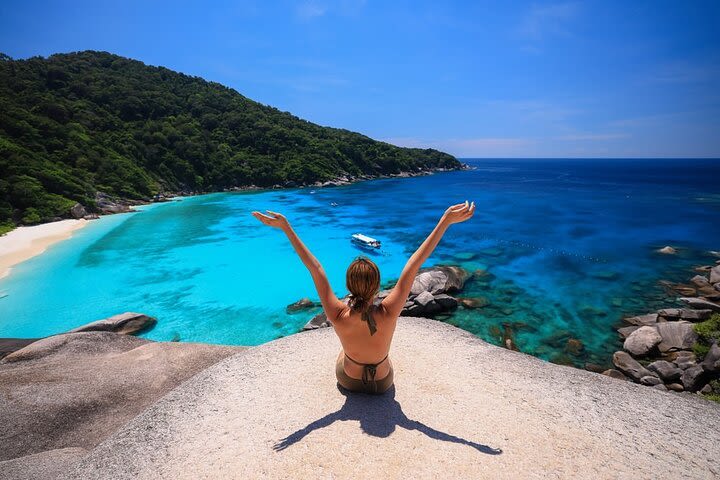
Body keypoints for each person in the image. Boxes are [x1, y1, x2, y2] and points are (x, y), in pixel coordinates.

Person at [251, 200, 475, 394]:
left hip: (349, 381)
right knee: (383, 359)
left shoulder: (338, 313)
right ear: (377, 286)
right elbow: (415, 261)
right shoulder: (389, 310)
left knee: (343, 353)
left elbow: (315, 268)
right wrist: (445, 221)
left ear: (349, 285)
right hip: (383, 382)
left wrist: (286, 228)